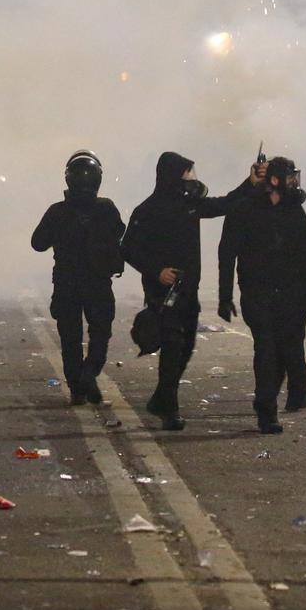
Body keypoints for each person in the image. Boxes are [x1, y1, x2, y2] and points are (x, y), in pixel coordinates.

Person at [121, 152, 259, 430]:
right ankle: (169, 409)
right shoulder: (146, 211)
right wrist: (157, 270)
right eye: (186, 173)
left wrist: (251, 182)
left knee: (185, 347)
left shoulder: (190, 205)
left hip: (188, 292)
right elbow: (128, 248)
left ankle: (161, 397)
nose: (191, 178)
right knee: (172, 347)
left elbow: (226, 204)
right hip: (163, 293)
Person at [218, 156, 306, 434]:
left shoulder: (294, 211)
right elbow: (227, 254)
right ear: (274, 181)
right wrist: (224, 295)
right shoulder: (244, 209)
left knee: (288, 349)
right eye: (289, 177)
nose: (295, 183)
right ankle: (267, 412)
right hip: (257, 293)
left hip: (291, 293)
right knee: (266, 350)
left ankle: (288, 394)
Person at [31, 151, 125, 406]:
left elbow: (37, 243)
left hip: (66, 283)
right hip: (98, 283)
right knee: (100, 334)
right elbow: (119, 232)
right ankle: (88, 373)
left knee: (69, 338)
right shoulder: (106, 208)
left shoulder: (57, 211)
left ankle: (77, 387)